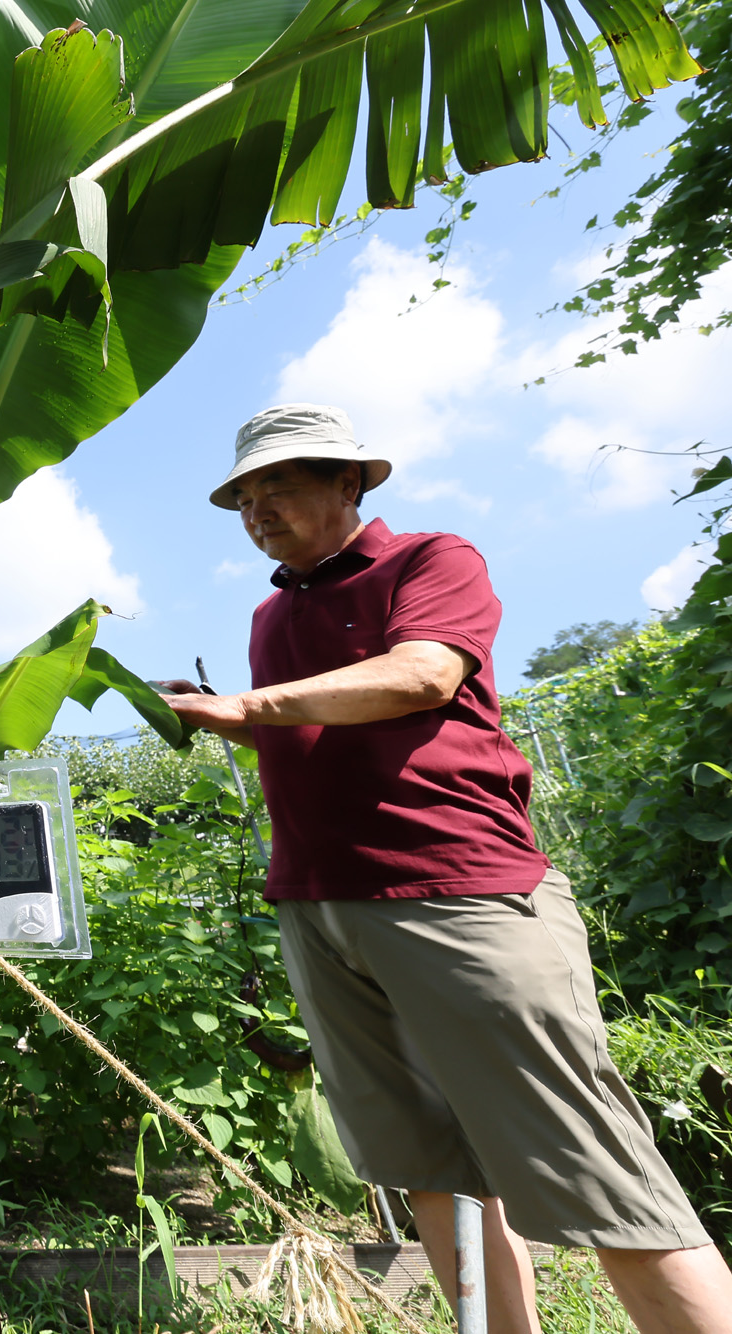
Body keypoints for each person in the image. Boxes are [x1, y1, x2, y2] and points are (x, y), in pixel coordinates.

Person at [160, 403, 732, 1334]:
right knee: (424, 1161)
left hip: (457, 892)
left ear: (350, 483)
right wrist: (231, 706)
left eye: (282, 483)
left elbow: (422, 674)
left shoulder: (431, 560)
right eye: (245, 493)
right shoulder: (273, 612)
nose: (258, 506)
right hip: (320, 906)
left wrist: (247, 707)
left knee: (590, 1161)